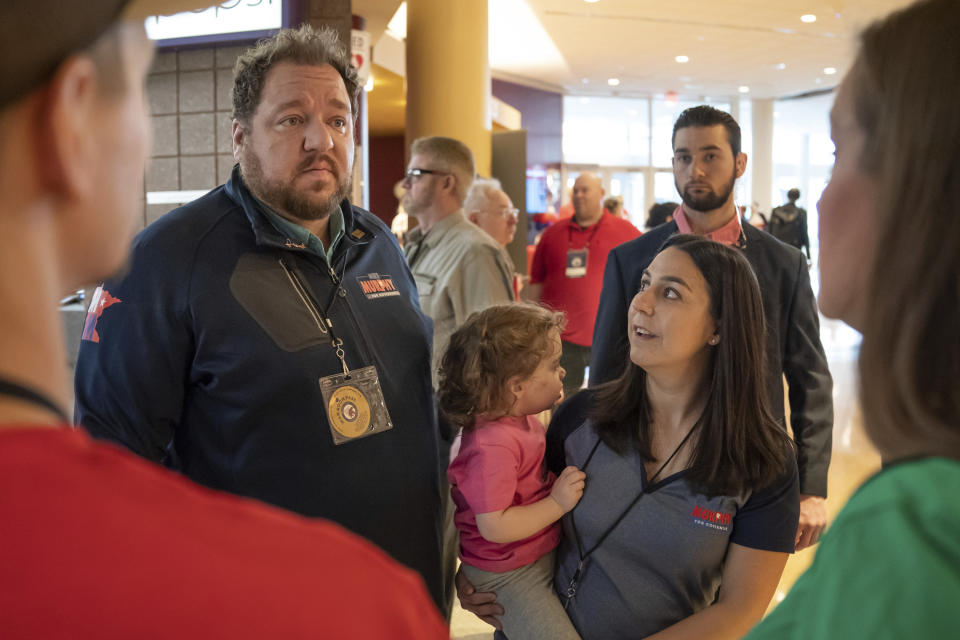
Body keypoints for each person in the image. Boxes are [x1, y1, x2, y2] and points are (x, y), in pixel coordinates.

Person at [0, 1, 447, 636]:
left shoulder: (380, 241)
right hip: (262, 610)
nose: (321, 141)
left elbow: (416, 414)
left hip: (406, 590)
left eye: (338, 121)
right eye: (292, 119)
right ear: (239, 135)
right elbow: (115, 465)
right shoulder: (165, 261)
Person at [459, 236, 800, 638]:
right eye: (643, 284)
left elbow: (740, 609)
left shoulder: (763, 461)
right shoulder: (581, 418)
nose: (641, 303)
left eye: (670, 292)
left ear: (718, 328)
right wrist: (483, 578)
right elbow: (504, 507)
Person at [747, 0, 960, 636]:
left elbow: (807, 375)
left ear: (918, 183)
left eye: (839, 150)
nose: (820, 195)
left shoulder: (919, 529)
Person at [589, 106, 833, 551]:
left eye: (710, 156)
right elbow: (608, 372)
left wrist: (812, 486)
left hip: (751, 462)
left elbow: (809, 377)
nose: (694, 170)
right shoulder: (632, 259)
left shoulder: (782, 264)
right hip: (653, 463)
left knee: (738, 604)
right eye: (682, 157)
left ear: (739, 163)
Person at [440, 305, 584, 640]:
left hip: (529, 555)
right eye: (554, 366)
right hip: (508, 571)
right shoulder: (493, 445)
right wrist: (558, 504)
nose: (562, 373)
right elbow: (494, 525)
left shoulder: (517, 419)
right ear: (515, 387)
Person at [402, 137, 516, 387]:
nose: (406, 182)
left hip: (448, 415)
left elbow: (493, 355)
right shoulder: (416, 246)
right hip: (418, 405)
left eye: (416, 173)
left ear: (446, 183)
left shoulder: (476, 252)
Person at [525, 172, 641, 399]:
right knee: (558, 399)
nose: (579, 195)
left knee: (609, 399)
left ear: (601, 193)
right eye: (575, 190)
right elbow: (536, 283)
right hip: (561, 338)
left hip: (610, 335)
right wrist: (535, 331)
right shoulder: (552, 234)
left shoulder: (626, 232)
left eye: (585, 190)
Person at [464, 177, 520, 248]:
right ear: (475, 220)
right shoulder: (472, 256)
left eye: (513, 212)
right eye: (505, 212)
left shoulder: (494, 255)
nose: (514, 220)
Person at [767, 188, 810, 259]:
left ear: (788, 196)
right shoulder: (801, 213)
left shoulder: (776, 211)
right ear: (798, 197)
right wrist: (808, 256)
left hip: (778, 247)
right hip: (795, 248)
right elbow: (804, 234)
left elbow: (769, 232)